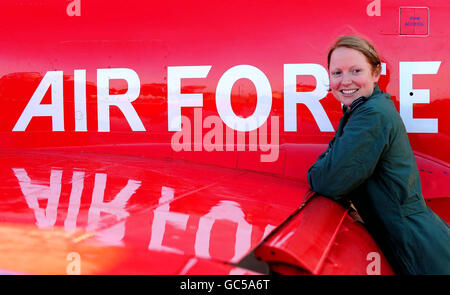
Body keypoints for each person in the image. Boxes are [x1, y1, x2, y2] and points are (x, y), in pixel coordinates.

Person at [307, 35, 450, 274]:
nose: (345, 81)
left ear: (375, 73)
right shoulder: (362, 110)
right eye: (337, 73)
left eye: (356, 70)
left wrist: (322, 168)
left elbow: (327, 180)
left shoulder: (371, 115)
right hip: (413, 240)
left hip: (419, 250)